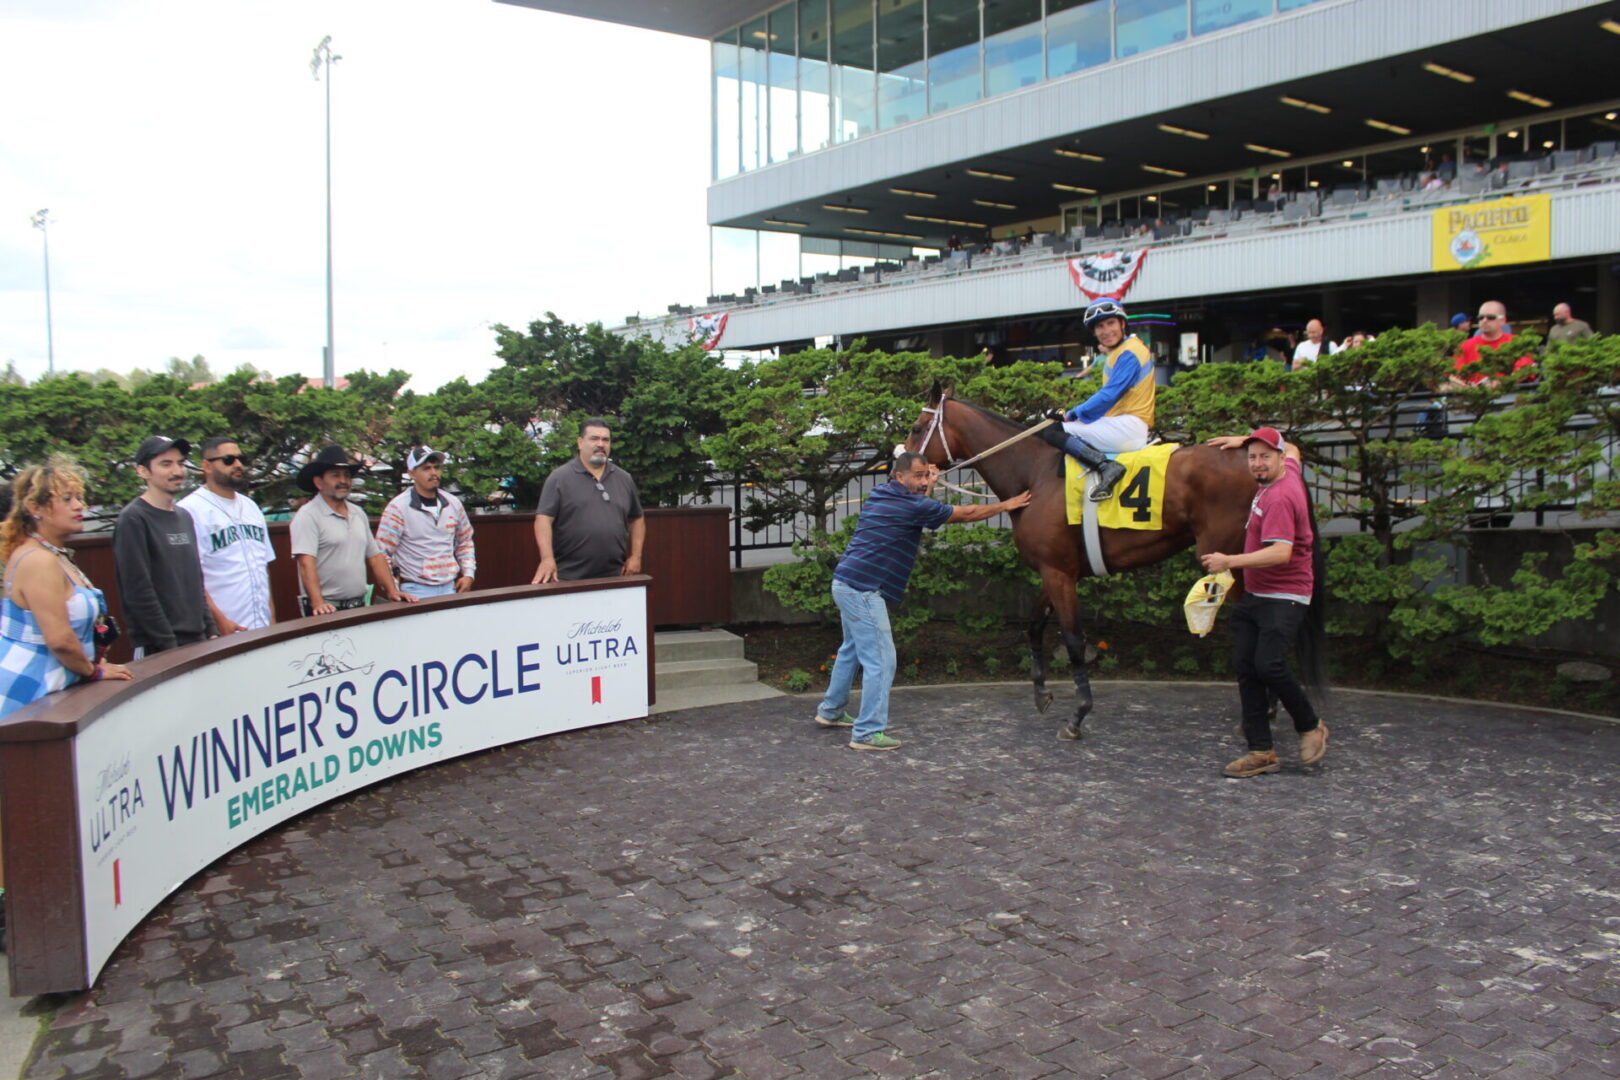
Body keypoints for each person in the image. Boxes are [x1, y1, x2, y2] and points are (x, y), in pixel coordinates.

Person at [814, 452, 1031, 751]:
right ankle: (867, 733)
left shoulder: (881, 494)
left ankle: (831, 711)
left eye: (925, 475)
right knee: (882, 660)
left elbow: (921, 509)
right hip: (863, 589)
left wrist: (929, 484)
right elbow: (966, 514)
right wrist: (1006, 504)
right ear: (899, 476)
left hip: (845, 582)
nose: (923, 481)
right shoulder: (912, 505)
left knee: (851, 650)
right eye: (917, 476)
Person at [1199, 429, 1327, 778]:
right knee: (1246, 666)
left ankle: (1310, 725)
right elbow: (1294, 448)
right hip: (1258, 595)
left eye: (1265, 457)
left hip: (1284, 596)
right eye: (1253, 457)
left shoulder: (1280, 497)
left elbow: (1280, 552)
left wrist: (1228, 562)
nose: (1257, 463)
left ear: (1278, 459)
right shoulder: (1289, 470)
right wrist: (1245, 439)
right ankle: (1261, 752)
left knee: (1268, 666)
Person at [2, 455, 133, 719]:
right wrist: (93, 671)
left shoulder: (54, 555)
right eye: (67, 499)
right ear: (35, 508)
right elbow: (60, 640)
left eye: (79, 498)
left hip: (52, 690)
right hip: (29, 692)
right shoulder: (38, 560)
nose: (78, 506)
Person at [1034, 298, 1153, 501]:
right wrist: (1072, 414)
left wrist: (1071, 414)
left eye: (1111, 323)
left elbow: (1109, 395)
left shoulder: (1130, 352)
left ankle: (1106, 466)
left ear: (1122, 323)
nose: (1106, 331)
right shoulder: (1120, 351)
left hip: (1128, 426)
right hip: (1121, 422)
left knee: (1053, 431)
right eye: (1100, 326)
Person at [113, 436, 218, 656]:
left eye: (180, 463)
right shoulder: (133, 518)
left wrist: (210, 630)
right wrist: (168, 644)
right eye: (166, 464)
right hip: (159, 649)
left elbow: (195, 580)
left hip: (198, 641)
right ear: (143, 471)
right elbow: (138, 591)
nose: (177, 471)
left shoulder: (184, 516)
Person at [289, 445, 414, 616]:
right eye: (335, 475)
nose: (343, 481)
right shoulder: (308, 516)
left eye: (347, 475)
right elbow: (306, 563)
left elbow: (375, 557)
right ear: (319, 482)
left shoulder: (358, 513)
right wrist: (318, 603)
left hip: (359, 605)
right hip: (326, 609)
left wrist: (393, 591)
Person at [178, 436, 276, 633]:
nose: (238, 465)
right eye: (229, 460)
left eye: (240, 459)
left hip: (261, 625)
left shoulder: (250, 506)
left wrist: (272, 619)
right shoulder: (189, 510)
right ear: (207, 466)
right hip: (224, 630)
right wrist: (219, 621)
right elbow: (191, 577)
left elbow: (262, 567)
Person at [531, 419, 644, 583]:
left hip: (615, 575)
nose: (601, 444)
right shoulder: (559, 478)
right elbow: (543, 519)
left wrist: (636, 556)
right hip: (568, 577)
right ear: (580, 442)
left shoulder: (624, 478)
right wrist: (547, 558)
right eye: (594, 439)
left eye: (606, 440)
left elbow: (637, 518)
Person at [376, 446, 476, 599]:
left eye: (436, 467)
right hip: (415, 590)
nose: (433, 472)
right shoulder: (398, 508)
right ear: (412, 473)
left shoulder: (453, 503)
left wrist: (468, 574)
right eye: (426, 468)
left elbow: (465, 540)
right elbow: (382, 553)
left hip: (451, 587)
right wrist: (393, 590)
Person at [1445, 300, 1534, 390]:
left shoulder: (1517, 343)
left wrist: (1502, 383)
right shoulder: (1465, 345)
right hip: (1474, 395)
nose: (1484, 320)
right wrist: (1460, 384)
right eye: (1481, 317)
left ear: (1503, 320)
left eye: (1491, 317)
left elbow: (1524, 371)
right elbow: (1455, 375)